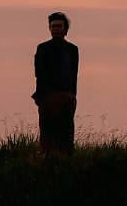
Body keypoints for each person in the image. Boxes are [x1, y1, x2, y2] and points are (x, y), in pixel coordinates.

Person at [32, 11, 79, 153]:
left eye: (59, 26)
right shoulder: (43, 48)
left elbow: (74, 74)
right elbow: (39, 73)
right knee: (48, 132)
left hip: (67, 96)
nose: (56, 29)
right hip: (48, 95)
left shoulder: (72, 49)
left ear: (66, 30)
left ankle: (67, 161)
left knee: (66, 132)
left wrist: (72, 96)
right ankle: (48, 161)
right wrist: (41, 97)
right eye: (53, 26)